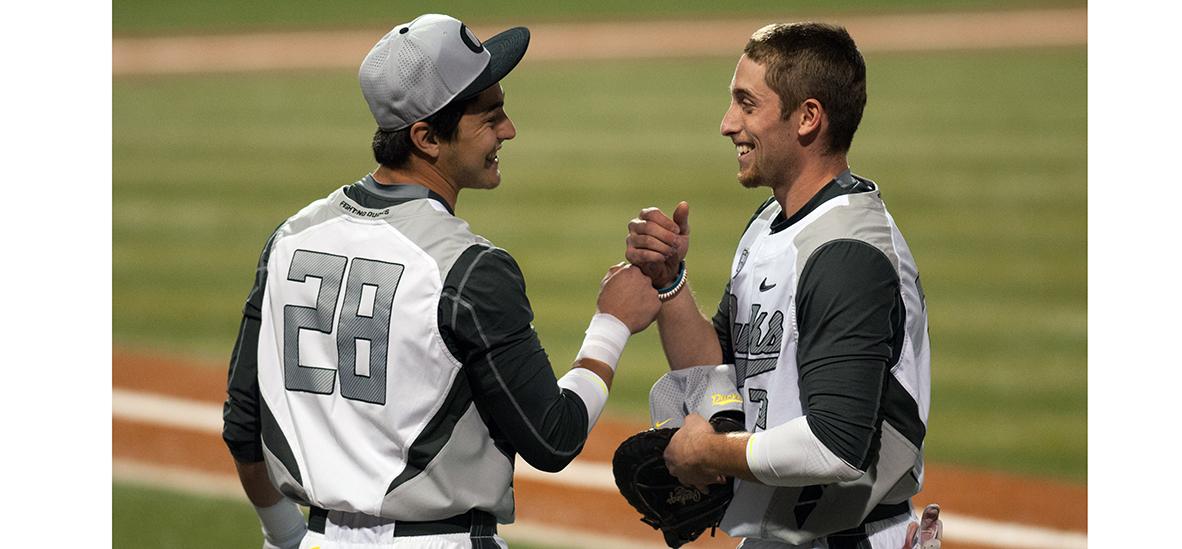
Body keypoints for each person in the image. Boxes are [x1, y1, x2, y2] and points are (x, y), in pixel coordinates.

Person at [222, 14, 660, 549]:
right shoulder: (469, 267)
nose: (509, 130)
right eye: (490, 116)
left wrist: (284, 534)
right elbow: (553, 438)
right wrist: (610, 327)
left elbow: (243, 422)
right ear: (426, 137)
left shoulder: (290, 237)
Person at [626, 22, 932, 548]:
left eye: (747, 104)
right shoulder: (771, 223)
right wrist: (671, 284)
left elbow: (836, 445)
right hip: (788, 534)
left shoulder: (844, 252)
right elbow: (722, 366)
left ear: (808, 118)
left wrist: (711, 454)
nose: (727, 124)